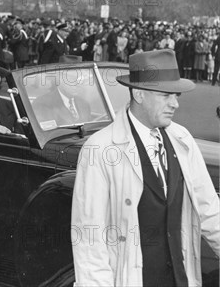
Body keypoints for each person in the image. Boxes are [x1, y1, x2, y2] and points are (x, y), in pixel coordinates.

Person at [72, 49, 220, 286]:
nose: (176, 103)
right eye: (166, 95)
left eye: (176, 95)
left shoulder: (182, 139)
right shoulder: (99, 149)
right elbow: (89, 239)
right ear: (139, 94)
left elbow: (211, 210)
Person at [31, 57, 92, 126]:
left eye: (80, 79)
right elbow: (47, 134)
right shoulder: (42, 104)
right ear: (59, 78)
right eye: (71, 78)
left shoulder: (84, 104)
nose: (77, 84)